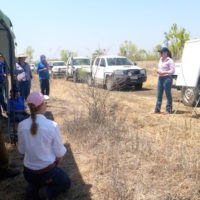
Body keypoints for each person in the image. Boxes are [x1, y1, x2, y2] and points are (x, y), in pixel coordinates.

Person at [17, 91, 71, 200]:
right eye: (45, 102)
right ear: (41, 106)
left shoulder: (21, 125)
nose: (46, 104)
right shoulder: (52, 126)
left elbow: (21, 151)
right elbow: (60, 155)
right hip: (47, 173)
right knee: (66, 182)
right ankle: (47, 191)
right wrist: (54, 164)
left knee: (38, 180)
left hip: (28, 174)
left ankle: (34, 187)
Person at [155, 47, 175, 113]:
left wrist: (163, 72)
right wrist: (158, 71)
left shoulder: (170, 60)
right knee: (159, 95)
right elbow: (160, 68)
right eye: (160, 52)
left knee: (168, 94)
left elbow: (172, 70)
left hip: (167, 79)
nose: (160, 54)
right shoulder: (160, 59)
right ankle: (157, 109)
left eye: (162, 52)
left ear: (166, 53)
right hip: (160, 79)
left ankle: (168, 110)